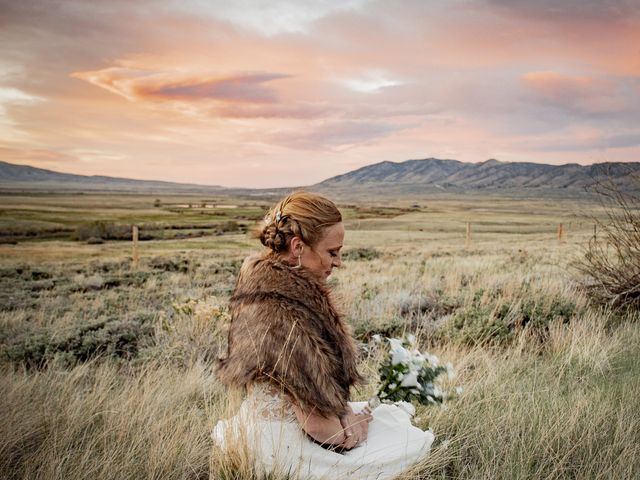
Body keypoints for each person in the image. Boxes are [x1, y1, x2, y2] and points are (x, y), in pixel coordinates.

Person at [213, 191, 434, 479]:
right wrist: (352, 431)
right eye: (333, 252)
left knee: (388, 421)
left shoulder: (264, 288)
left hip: (258, 427)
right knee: (409, 445)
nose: (339, 261)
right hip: (283, 449)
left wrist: (343, 412)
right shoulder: (284, 314)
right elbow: (317, 426)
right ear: (298, 247)